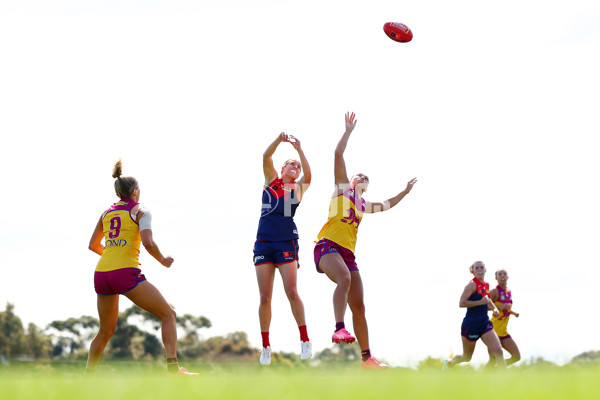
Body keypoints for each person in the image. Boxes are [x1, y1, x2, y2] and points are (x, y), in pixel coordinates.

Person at [314, 112, 417, 370]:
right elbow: (338, 156)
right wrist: (347, 132)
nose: (362, 177)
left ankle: (367, 358)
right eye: (359, 175)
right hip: (327, 246)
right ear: (351, 180)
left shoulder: (363, 204)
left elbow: (387, 205)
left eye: (366, 178)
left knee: (359, 305)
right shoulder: (341, 189)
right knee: (345, 280)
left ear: (366, 188)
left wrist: (404, 191)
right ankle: (339, 328)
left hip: (348, 254)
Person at [87, 160, 196, 376]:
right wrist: (163, 260)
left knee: (105, 330)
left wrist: (113, 254)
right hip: (125, 273)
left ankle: (87, 376)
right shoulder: (141, 211)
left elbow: (93, 245)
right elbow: (148, 243)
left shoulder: (106, 213)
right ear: (136, 191)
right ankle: (174, 371)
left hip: (101, 274)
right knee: (168, 315)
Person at [253, 132, 313, 366]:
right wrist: (279, 140)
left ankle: (305, 340)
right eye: (292, 164)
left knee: (291, 292)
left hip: (286, 242)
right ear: (282, 167)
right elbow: (266, 154)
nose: (296, 167)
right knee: (265, 297)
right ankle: (266, 346)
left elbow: (310, 175)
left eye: (297, 167)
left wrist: (300, 150)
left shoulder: (297, 190)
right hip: (264, 242)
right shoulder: (272, 181)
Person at [443, 261, 506, 370]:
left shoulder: (486, 285)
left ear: (485, 270)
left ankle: (506, 381)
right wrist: (480, 302)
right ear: (473, 271)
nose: (480, 269)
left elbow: (488, 300)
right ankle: (449, 363)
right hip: (471, 325)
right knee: (466, 357)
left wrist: (494, 309)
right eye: (477, 268)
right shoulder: (471, 285)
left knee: (498, 352)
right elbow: (462, 303)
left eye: (482, 267)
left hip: (484, 324)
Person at [486, 268, 521, 367]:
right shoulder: (494, 291)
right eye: (500, 274)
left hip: (503, 331)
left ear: (508, 277)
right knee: (492, 360)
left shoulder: (508, 291)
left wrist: (513, 313)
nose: (502, 276)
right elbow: (483, 306)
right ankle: (481, 378)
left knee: (516, 356)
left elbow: (506, 309)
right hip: (492, 330)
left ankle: (497, 369)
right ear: (496, 278)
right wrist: (498, 307)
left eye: (504, 274)